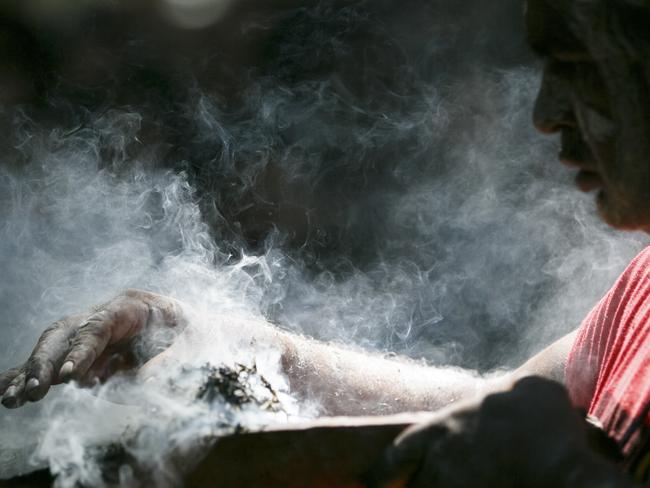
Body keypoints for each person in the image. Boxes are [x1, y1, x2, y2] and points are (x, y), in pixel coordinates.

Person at [1, 0, 649, 485]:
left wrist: (564, 474)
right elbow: (484, 408)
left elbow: (524, 438)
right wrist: (224, 343)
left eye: (575, 62)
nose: (544, 111)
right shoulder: (639, 289)